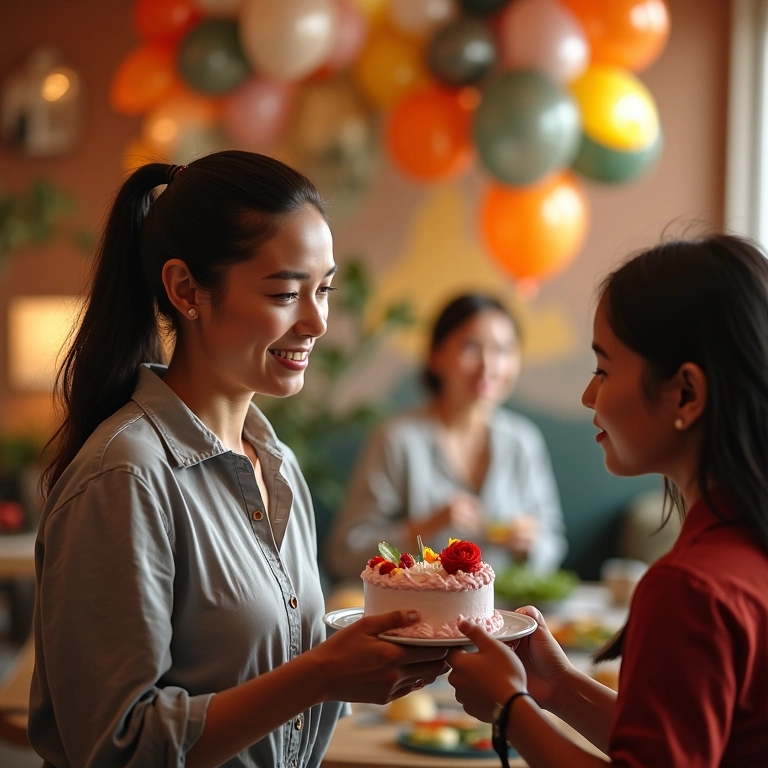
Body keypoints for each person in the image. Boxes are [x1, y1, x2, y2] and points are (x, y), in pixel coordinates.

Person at [28, 150, 449, 768]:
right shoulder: (125, 477)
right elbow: (119, 749)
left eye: (324, 290)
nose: (317, 321)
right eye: (285, 293)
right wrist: (321, 677)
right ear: (184, 289)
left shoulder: (275, 463)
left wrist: (364, 663)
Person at [446, 233, 768, 767]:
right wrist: (557, 687)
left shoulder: (690, 589)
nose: (588, 396)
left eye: (604, 369)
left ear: (685, 393)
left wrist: (510, 710)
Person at [325, 292, 567, 581]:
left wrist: (531, 545)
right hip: (417, 617)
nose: (489, 366)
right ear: (436, 356)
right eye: (471, 347)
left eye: (503, 350)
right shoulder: (396, 439)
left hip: (507, 617)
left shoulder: (523, 441)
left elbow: (553, 543)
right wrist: (426, 526)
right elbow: (344, 555)